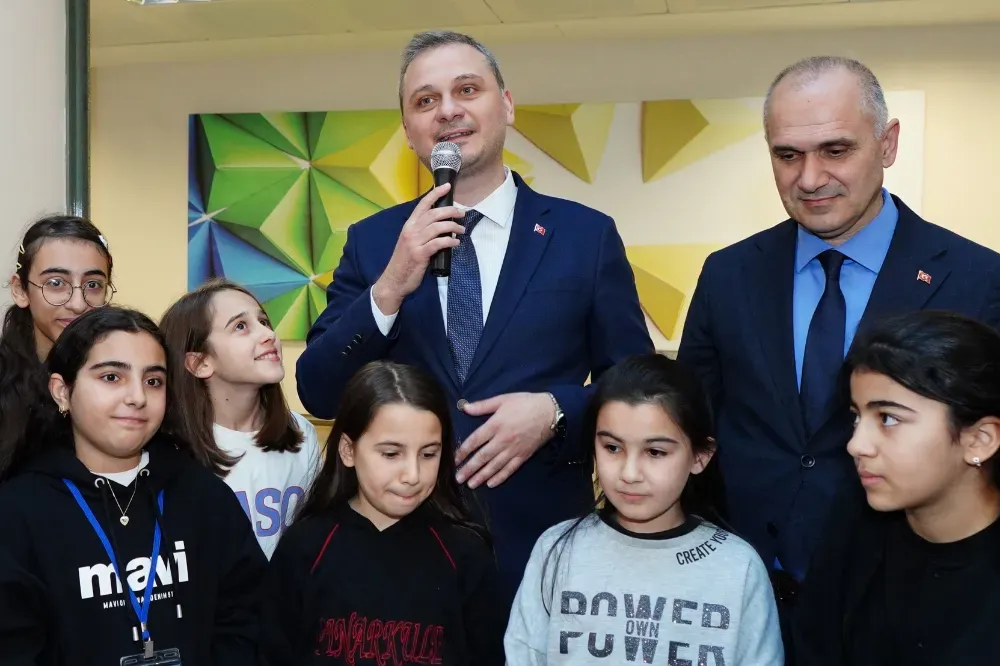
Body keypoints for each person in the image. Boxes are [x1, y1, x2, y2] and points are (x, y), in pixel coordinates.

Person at [296, 30, 653, 596]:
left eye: (467, 90)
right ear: (408, 130)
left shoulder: (585, 236)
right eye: (425, 100)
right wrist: (390, 287)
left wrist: (557, 410)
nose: (448, 111)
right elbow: (318, 390)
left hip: (541, 555)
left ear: (506, 104)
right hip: (399, 560)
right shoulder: (374, 242)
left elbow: (639, 386)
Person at [677, 56, 1000, 596]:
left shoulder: (977, 279)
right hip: (743, 586)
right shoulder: (728, 274)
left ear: (887, 145)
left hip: (911, 591)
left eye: (835, 150)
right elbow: (692, 420)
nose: (809, 178)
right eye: (787, 155)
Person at [0, 306, 266, 665]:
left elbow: (248, 617)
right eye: (112, 377)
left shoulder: (203, 495)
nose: (137, 397)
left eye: (153, 381)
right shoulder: (19, 510)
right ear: (62, 391)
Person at [505, 354, 783, 665]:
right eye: (612, 448)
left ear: (700, 456)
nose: (630, 473)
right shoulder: (556, 550)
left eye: (655, 452)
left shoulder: (739, 567)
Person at [258, 361, 506, 665]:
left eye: (429, 454)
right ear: (348, 450)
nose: (412, 474)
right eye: (391, 453)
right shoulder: (304, 547)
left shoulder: (466, 554)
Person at [793, 310, 1000, 664]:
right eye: (856, 417)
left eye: (888, 418)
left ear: (980, 439)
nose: (856, 445)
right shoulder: (854, 524)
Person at [159, 278, 321, 559]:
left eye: (264, 321)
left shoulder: (300, 433)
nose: (268, 334)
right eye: (241, 326)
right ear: (200, 363)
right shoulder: (171, 451)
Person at [0, 215, 115, 479]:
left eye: (93, 285)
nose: (77, 303)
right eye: (56, 283)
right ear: (20, 290)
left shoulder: (121, 378)